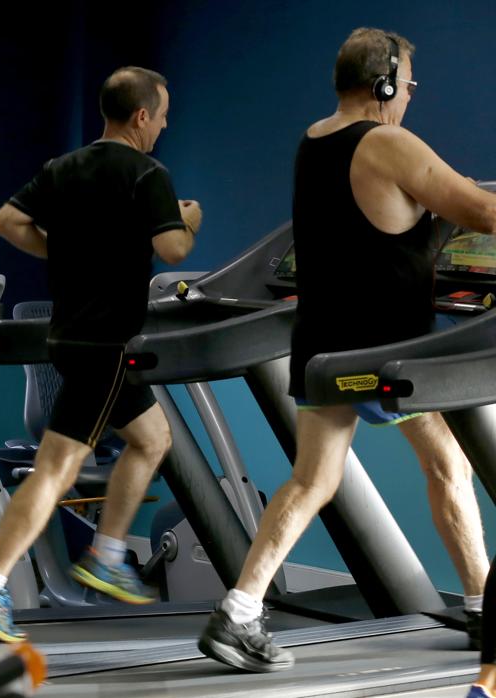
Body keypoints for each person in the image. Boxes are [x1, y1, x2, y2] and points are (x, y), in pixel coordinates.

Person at [196, 28, 496, 674]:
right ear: (384, 83)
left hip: (326, 347)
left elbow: (380, 222)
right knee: (449, 465)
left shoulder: (315, 140)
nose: (411, 96)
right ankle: (481, 606)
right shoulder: (387, 141)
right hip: (391, 355)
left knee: (316, 480)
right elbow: (479, 210)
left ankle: (239, 611)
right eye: (408, 84)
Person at [0, 66, 202, 642]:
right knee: (55, 470)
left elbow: (6, 221)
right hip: (109, 345)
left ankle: (108, 554)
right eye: (162, 115)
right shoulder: (148, 172)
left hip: (70, 338)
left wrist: (61, 253)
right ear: (141, 115)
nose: (164, 125)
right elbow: (172, 248)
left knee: (152, 439)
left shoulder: (62, 169)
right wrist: (188, 219)